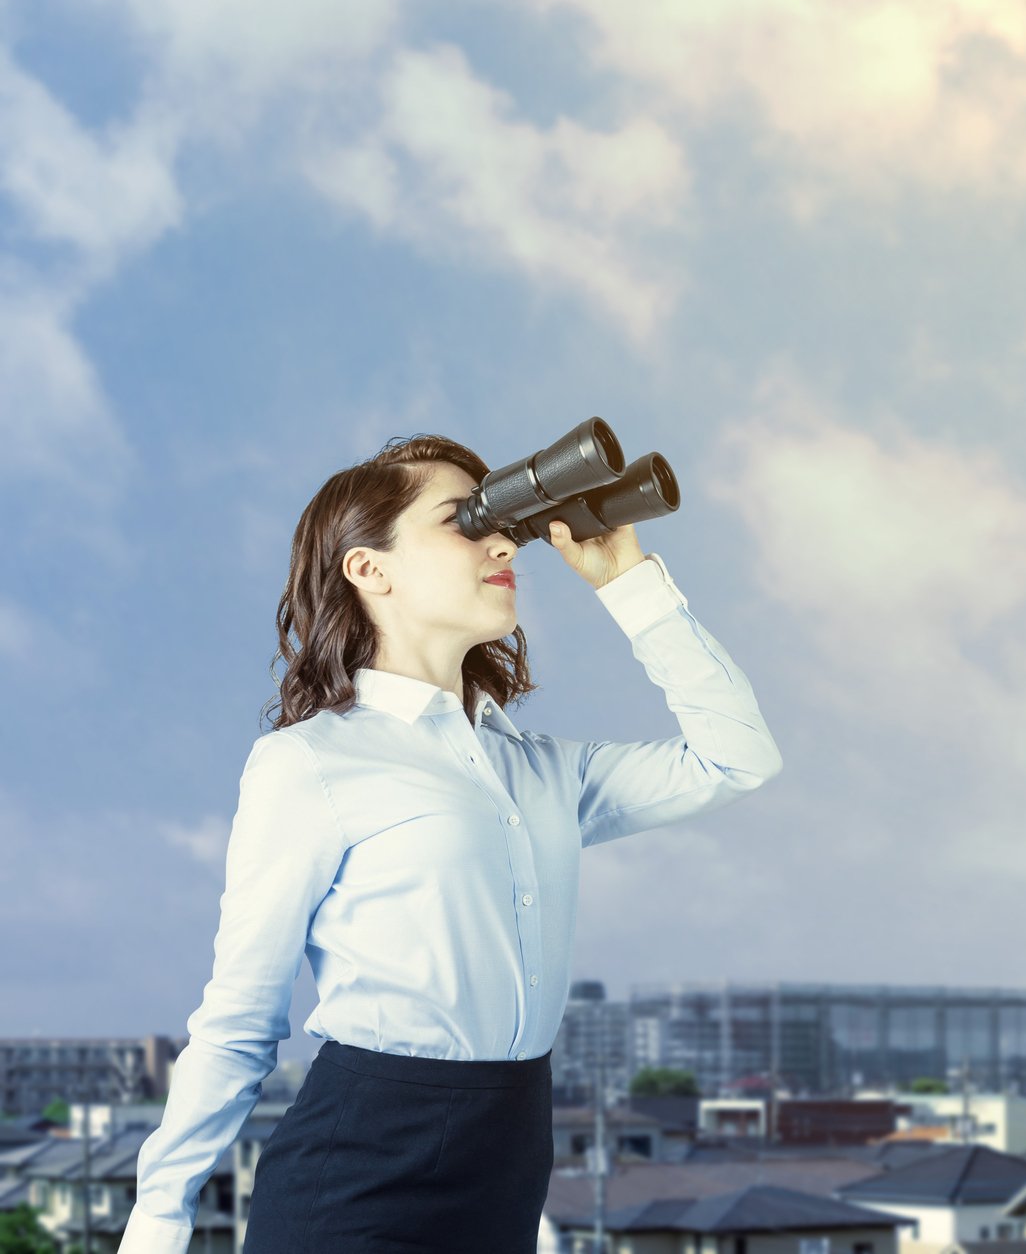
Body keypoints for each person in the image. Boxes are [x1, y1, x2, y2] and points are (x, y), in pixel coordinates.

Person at [116, 433, 785, 1254]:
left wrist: (630, 584)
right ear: (370, 569)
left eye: (501, 522)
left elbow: (736, 757)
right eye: (463, 521)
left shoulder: (541, 770)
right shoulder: (310, 763)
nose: (503, 543)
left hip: (508, 1160)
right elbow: (239, 1021)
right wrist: (158, 1220)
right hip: (357, 1173)